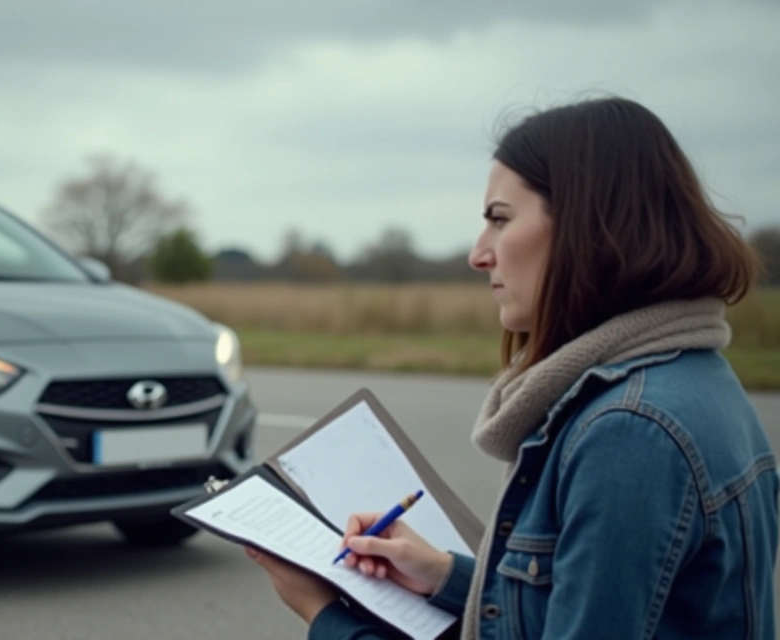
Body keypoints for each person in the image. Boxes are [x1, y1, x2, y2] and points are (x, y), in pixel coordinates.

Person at [246, 95, 779, 639]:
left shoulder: (630, 433)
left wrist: (326, 616)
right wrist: (444, 576)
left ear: (589, 227)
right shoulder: (693, 376)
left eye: (500, 220)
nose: (480, 254)